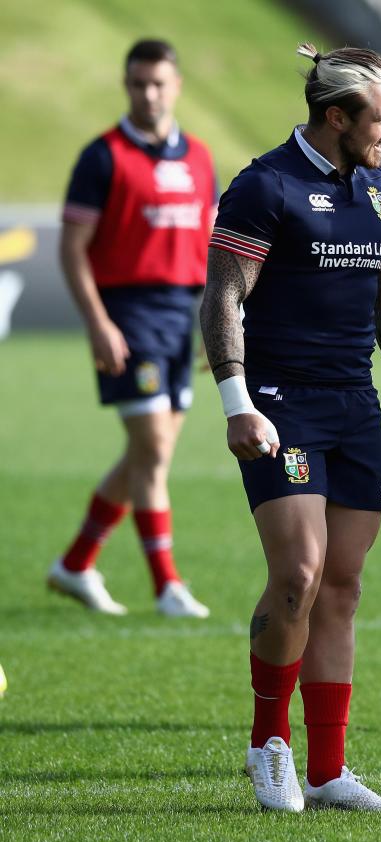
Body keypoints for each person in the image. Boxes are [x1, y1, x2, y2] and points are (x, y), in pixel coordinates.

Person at [200, 43, 381, 814]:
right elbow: (223, 297)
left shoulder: (379, 188)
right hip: (280, 402)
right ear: (335, 117)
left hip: (355, 404)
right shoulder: (263, 185)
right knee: (299, 574)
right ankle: (267, 745)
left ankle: (329, 769)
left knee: (341, 587)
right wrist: (236, 401)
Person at [48, 39, 215, 619]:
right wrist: (97, 323)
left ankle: (75, 563)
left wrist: (217, 325)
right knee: (154, 448)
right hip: (128, 315)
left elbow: (212, 248)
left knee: (150, 456)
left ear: (177, 86)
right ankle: (166, 584)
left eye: (158, 83)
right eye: (138, 83)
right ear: (126, 85)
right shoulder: (102, 156)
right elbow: (72, 249)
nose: (148, 93)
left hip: (182, 315)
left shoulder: (198, 157)